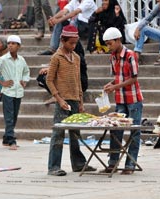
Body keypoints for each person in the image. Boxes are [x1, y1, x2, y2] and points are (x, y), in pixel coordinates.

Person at [46, 25, 96, 176]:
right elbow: (49, 80)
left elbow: (78, 82)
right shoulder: (56, 57)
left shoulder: (76, 57)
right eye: (70, 43)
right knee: (58, 134)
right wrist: (59, 99)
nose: (73, 46)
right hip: (63, 101)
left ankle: (78, 163)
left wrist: (81, 101)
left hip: (74, 100)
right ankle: (53, 166)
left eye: (75, 43)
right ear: (62, 40)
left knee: (75, 134)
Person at [102, 27, 143, 175]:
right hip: (120, 99)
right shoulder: (112, 57)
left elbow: (133, 78)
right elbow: (118, 76)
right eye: (107, 43)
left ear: (118, 40)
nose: (109, 46)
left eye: (110, 43)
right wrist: (110, 84)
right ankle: (112, 163)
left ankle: (130, 164)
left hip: (133, 99)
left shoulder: (131, 55)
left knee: (134, 131)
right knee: (116, 130)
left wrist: (115, 86)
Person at [0, 35, 30, 150]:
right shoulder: (3, 59)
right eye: (9, 43)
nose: (10, 45)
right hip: (7, 92)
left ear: (18, 46)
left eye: (13, 43)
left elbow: (26, 71)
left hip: (18, 92)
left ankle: (6, 138)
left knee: (14, 116)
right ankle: (11, 140)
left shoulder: (22, 60)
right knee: (9, 116)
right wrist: (1, 82)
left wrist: (24, 81)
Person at [38, 40, 88, 104]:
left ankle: (57, 96)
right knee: (45, 75)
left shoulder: (76, 58)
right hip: (76, 85)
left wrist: (49, 69)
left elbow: (67, 71)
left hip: (75, 85)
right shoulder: (66, 56)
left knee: (46, 76)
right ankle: (56, 96)